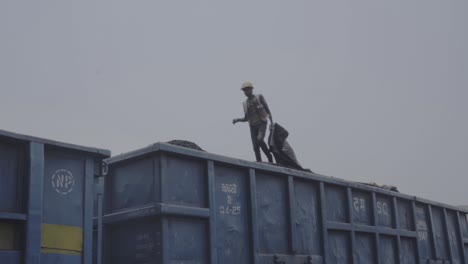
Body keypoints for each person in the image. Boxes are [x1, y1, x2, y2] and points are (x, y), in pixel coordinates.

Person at [233, 81, 273, 163]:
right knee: (255, 146)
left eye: (248, 89)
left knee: (259, 139)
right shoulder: (245, 103)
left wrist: (271, 122)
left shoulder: (259, 97)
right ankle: (259, 162)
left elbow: (267, 109)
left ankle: (269, 156)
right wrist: (238, 120)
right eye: (244, 90)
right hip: (252, 126)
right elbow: (246, 118)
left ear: (251, 89)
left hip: (262, 123)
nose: (246, 92)